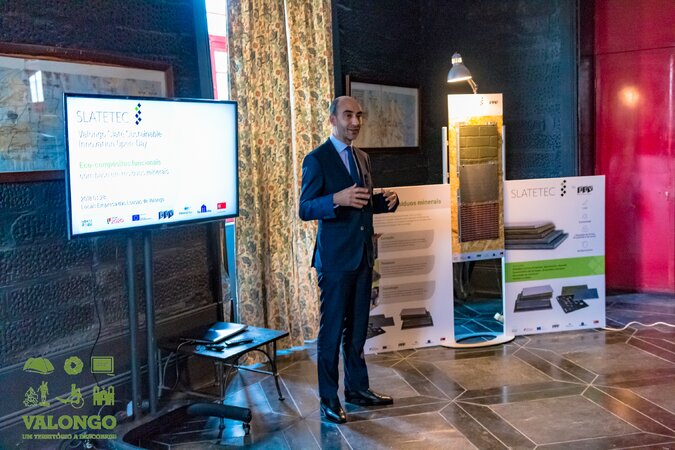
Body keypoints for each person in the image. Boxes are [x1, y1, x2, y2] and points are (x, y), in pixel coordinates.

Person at [299, 96, 399, 424]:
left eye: (358, 115)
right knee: (331, 333)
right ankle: (329, 398)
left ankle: (357, 389)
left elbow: (363, 203)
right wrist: (335, 199)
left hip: (362, 258)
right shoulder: (316, 159)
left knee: (357, 331)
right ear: (332, 120)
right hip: (334, 262)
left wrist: (386, 202)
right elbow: (305, 208)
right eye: (347, 116)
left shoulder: (363, 158)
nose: (355, 122)